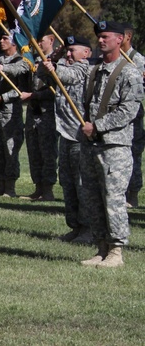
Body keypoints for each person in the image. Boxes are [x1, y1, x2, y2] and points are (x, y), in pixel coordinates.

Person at [79, 20, 144, 268]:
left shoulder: (128, 72)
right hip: (91, 145)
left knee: (113, 199)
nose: (101, 40)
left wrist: (98, 126)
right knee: (93, 197)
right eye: (99, 36)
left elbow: (129, 110)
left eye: (106, 36)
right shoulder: (94, 71)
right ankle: (101, 247)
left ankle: (116, 251)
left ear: (120, 39)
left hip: (115, 147)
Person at [40, 35, 93, 243]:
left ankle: (88, 228)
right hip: (65, 133)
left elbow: (68, 76)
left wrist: (55, 65)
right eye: (67, 50)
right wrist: (54, 57)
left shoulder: (85, 69)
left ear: (86, 53)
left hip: (80, 137)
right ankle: (75, 226)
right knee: (68, 184)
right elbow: (42, 76)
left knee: (82, 184)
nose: (69, 54)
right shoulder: (62, 65)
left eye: (73, 51)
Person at [0, 33, 31, 198]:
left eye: (5, 38)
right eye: (1, 38)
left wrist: (3, 98)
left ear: (15, 42)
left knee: (10, 148)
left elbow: (21, 88)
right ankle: (0, 183)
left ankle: (10, 186)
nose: (1, 40)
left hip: (10, 111)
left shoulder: (21, 61)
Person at [23, 34, 59, 201]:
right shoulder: (32, 60)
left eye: (41, 41)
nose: (37, 44)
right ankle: (38, 187)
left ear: (51, 40)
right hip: (33, 114)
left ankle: (48, 189)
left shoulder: (56, 62)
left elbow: (56, 90)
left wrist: (34, 95)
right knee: (34, 152)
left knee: (48, 153)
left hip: (47, 114)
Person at [119, 23, 145, 208]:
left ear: (127, 37)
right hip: (118, 116)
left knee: (134, 154)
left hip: (134, 117)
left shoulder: (138, 60)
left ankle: (133, 194)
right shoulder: (115, 58)